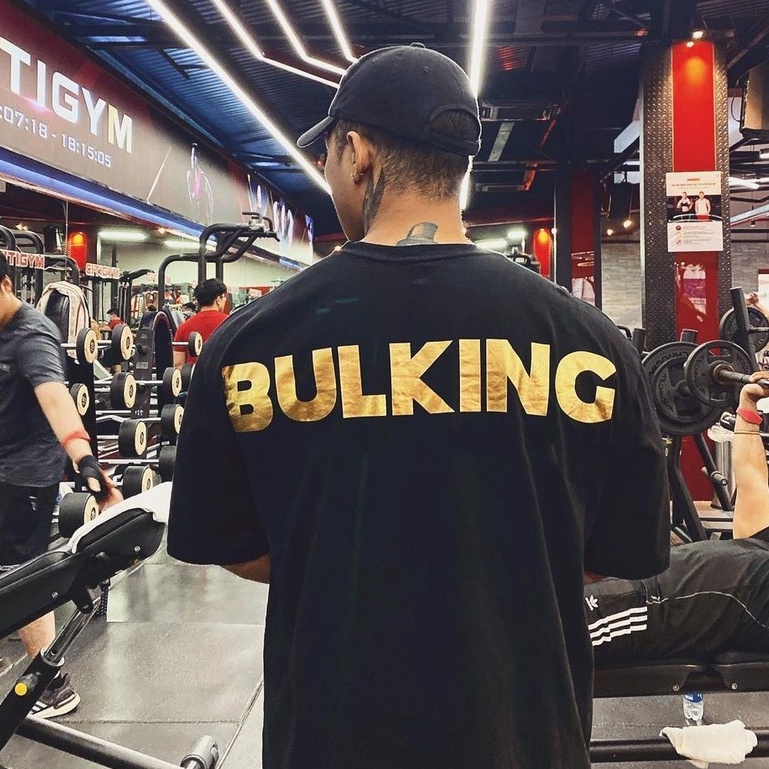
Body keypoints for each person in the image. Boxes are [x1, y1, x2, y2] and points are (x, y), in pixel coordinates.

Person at [168, 44, 669, 769]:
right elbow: (612, 549)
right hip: (524, 740)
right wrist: (493, 558)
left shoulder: (249, 342)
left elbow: (237, 545)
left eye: (328, 154)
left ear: (359, 153)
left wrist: (352, 556)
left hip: (332, 741)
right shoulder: (590, 341)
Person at [0, 252, 121, 718]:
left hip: (23, 476)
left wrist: (84, 459)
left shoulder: (32, 335)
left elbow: (55, 397)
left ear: (6, 285)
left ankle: (52, 686)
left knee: (21, 576)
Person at [587, 374, 769, 664]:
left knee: (552, 633)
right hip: (649, 584)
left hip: (650, 604)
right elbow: (752, 481)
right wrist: (748, 408)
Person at [172, 279, 228, 367]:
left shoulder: (184, 327)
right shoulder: (231, 323)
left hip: (193, 374)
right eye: (224, 297)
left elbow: (178, 365)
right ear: (218, 300)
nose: (225, 300)